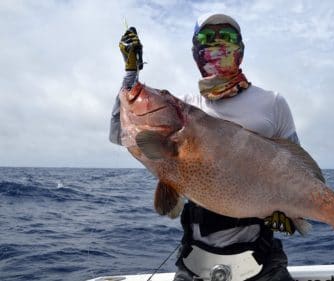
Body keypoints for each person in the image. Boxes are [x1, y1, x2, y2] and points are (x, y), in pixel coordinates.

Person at [110, 13, 300, 281]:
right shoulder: (185, 107)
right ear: (195, 52)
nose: (219, 44)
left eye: (228, 37)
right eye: (208, 38)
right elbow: (125, 132)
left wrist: (292, 215)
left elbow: (295, 167)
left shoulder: (273, 103)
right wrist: (131, 76)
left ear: (242, 49)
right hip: (196, 259)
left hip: (263, 259)